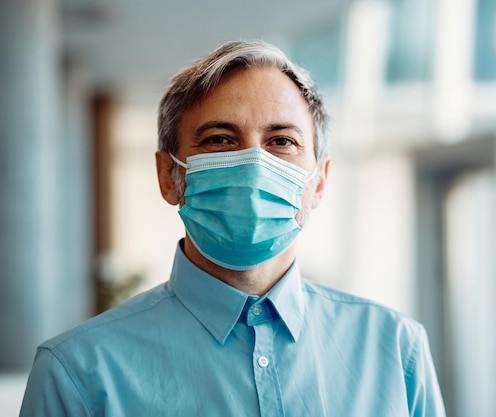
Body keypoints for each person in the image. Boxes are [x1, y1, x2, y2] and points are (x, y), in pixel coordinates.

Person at [20, 40, 446, 417]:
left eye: (282, 141)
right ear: (170, 176)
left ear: (318, 183)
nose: (254, 164)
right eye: (220, 140)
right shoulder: (76, 373)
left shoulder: (395, 350)